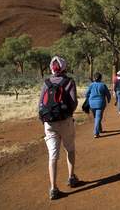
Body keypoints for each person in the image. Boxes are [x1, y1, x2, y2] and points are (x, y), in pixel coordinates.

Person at [38, 56, 79, 200]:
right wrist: (67, 114)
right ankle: (71, 177)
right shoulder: (69, 81)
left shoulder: (46, 83)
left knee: (53, 155)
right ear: (63, 67)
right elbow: (74, 102)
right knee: (70, 149)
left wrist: (45, 120)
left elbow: (40, 105)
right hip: (65, 121)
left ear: (51, 68)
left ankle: (53, 188)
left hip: (49, 123)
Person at [86, 72, 111, 138]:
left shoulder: (91, 85)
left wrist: (88, 99)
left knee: (96, 117)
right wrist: (108, 100)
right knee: (98, 117)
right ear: (100, 78)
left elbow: (87, 93)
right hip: (100, 104)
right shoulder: (103, 85)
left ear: (94, 78)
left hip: (92, 104)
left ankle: (100, 129)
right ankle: (96, 133)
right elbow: (108, 94)